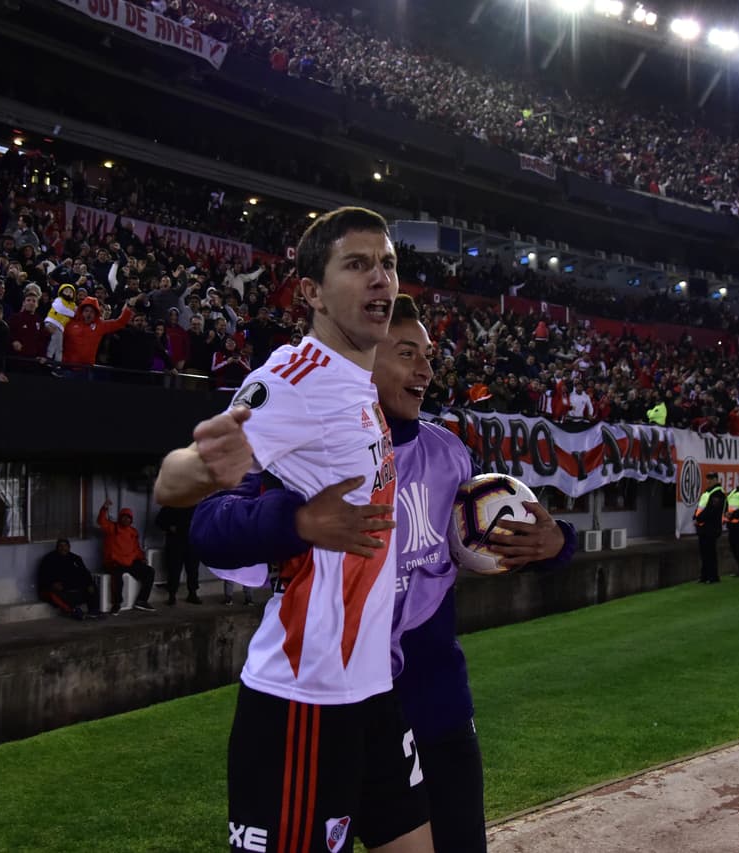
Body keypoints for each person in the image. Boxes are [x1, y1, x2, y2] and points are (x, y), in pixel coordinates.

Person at [192, 293, 576, 852]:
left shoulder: (451, 457)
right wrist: (295, 518)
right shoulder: (312, 455)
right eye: (406, 353)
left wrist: (555, 543)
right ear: (365, 360)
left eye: (428, 354)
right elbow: (211, 526)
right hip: (333, 708)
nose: (426, 369)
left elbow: (495, 542)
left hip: (436, 706)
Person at [153, 207, 434, 853]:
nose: (380, 280)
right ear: (310, 291)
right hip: (304, 699)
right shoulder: (294, 378)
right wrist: (210, 469)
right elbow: (173, 483)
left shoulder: (357, 385)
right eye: (357, 265)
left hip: (371, 692)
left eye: (387, 263)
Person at [96, 499, 155, 613]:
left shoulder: (133, 532)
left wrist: (142, 558)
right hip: (114, 562)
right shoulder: (112, 528)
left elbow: (136, 548)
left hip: (130, 562)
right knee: (117, 577)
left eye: (128, 517)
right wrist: (104, 508)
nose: (126, 519)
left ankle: (141, 601)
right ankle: (117, 604)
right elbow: (101, 521)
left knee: (149, 571)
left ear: (131, 520)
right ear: (120, 517)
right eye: (124, 516)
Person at [37, 539, 102, 619]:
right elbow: (44, 576)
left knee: (91, 586)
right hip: (55, 589)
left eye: (65, 546)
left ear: (69, 547)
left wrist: (89, 583)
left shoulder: (75, 558)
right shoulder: (49, 559)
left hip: (70, 588)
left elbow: (85, 573)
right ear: (57, 548)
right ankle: (74, 611)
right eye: (60, 546)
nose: (63, 548)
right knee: (55, 592)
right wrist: (52, 583)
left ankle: (94, 611)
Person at [153, 505, 201, 605]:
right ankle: (172, 595)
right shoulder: (170, 506)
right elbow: (159, 521)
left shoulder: (195, 507)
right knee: (174, 570)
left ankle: (192, 594)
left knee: (193, 570)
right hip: (175, 543)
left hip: (191, 543)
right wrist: (169, 527)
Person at [694, 472, 725, 584]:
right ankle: (704, 576)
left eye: (711, 478)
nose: (709, 481)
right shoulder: (707, 493)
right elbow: (700, 507)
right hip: (703, 528)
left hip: (711, 527)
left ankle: (713, 576)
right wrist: (695, 516)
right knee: (704, 553)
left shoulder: (718, 494)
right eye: (708, 478)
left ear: (716, 479)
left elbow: (711, 510)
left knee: (710, 553)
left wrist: (699, 518)